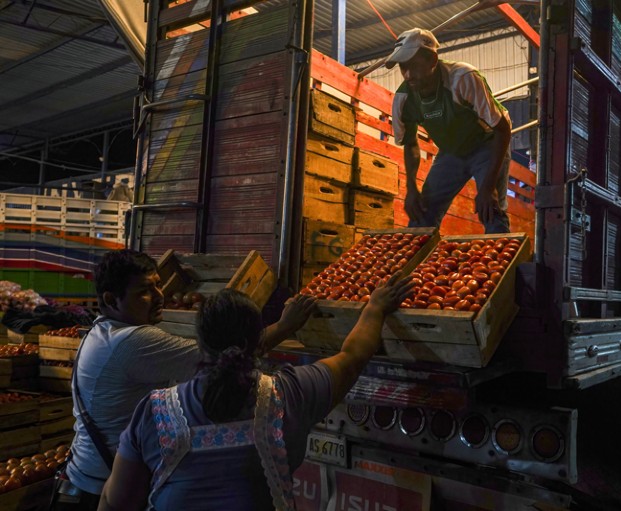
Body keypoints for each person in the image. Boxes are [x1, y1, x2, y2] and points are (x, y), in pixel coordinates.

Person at [97, 274, 414, 511]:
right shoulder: (290, 395)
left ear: (200, 344)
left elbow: (115, 503)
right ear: (256, 340)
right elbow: (352, 358)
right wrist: (375, 307)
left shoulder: (154, 412)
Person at [55, 249, 316, 510]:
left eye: (158, 285)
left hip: (88, 479)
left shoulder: (100, 331)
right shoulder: (132, 342)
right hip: (102, 491)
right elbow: (223, 359)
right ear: (111, 300)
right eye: (144, 291)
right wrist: (284, 326)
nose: (159, 296)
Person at [386, 28, 513, 234]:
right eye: (403, 68)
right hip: (451, 152)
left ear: (432, 60)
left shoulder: (462, 78)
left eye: (414, 66)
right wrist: (410, 188)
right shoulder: (404, 99)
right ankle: (415, 264)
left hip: (487, 144)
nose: (408, 75)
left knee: (491, 211)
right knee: (422, 215)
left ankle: (503, 260)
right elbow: (410, 144)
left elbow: (502, 129)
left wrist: (488, 188)